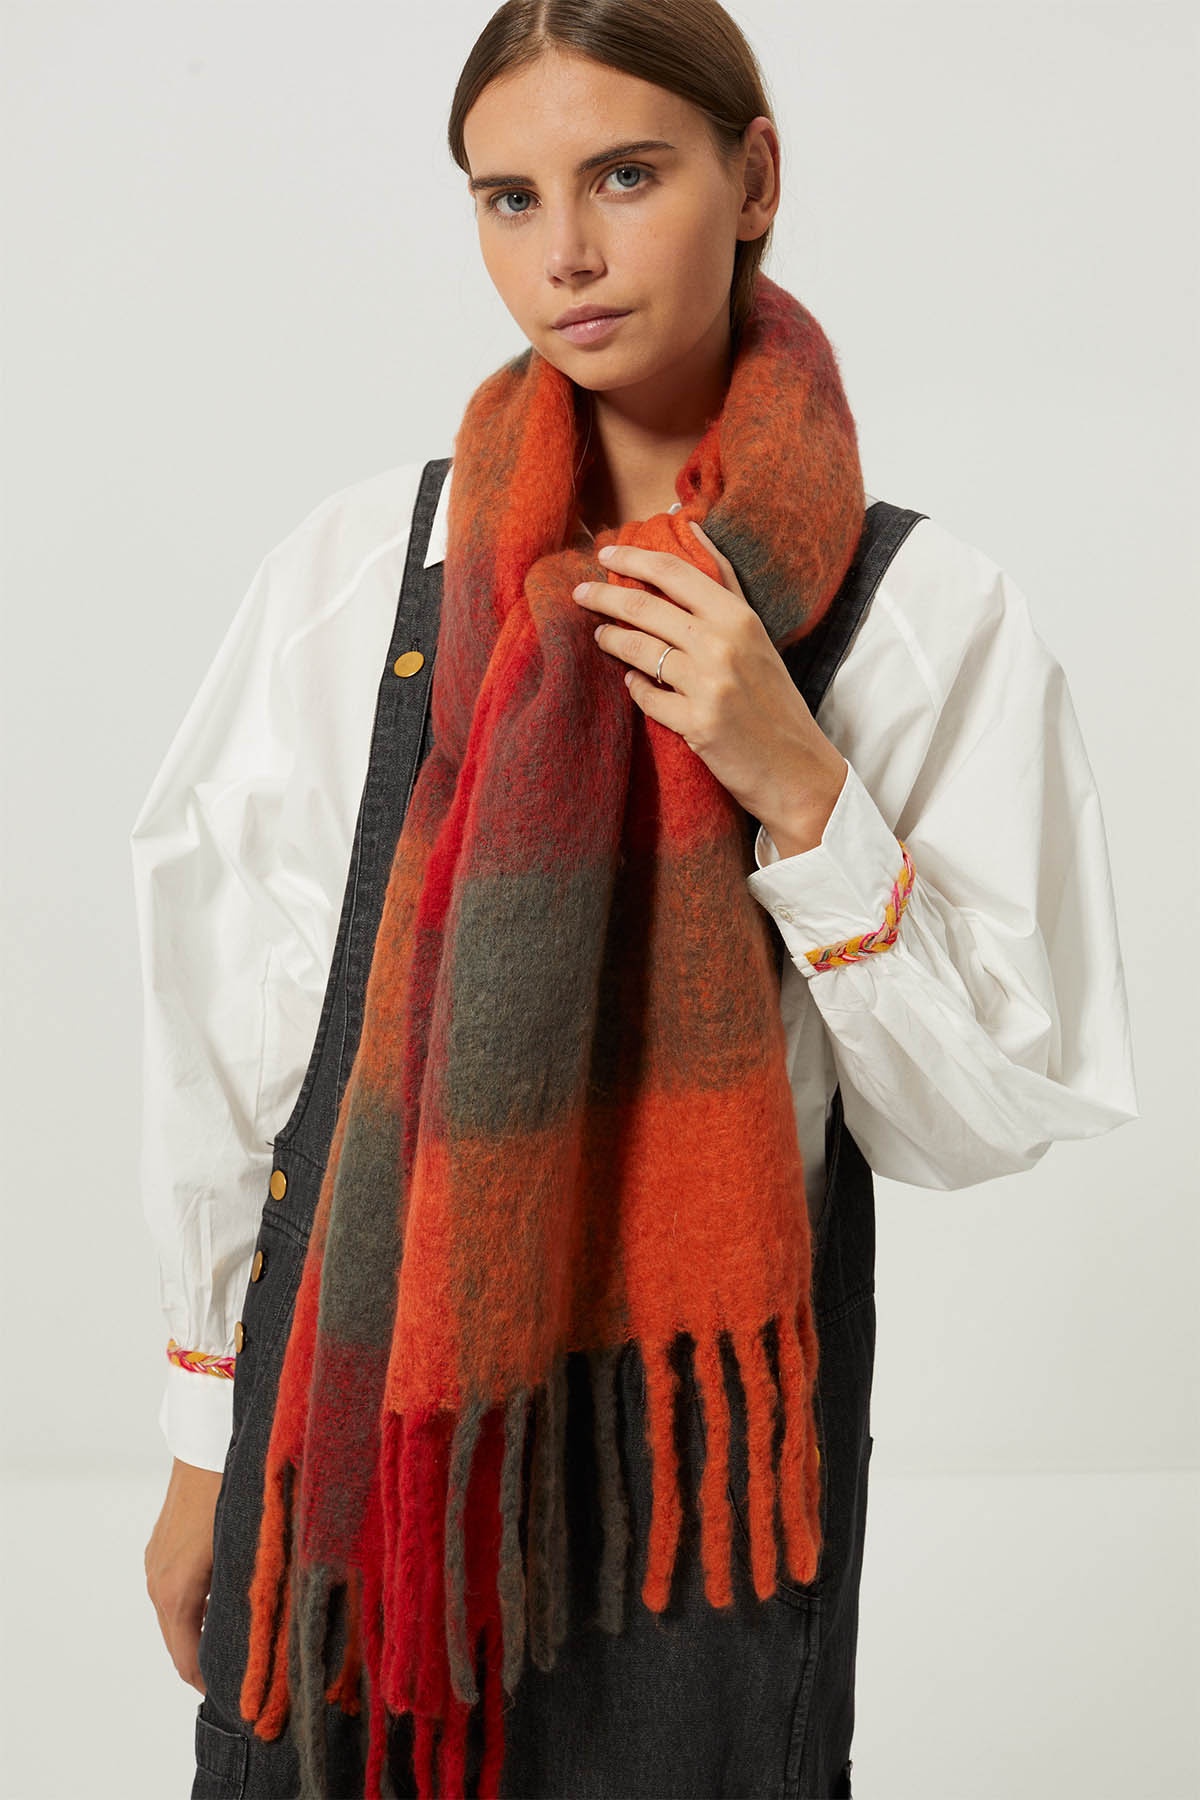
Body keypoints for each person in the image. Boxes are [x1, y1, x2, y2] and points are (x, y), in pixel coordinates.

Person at [135, 4, 1139, 1796]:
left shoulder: (922, 616)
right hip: (354, 1415)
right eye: (508, 198)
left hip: (693, 1453)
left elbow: (979, 1115)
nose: (567, 256)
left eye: (624, 176)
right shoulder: (366, 571)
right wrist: (203, 1432)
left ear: (754, 179)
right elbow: (235, 1034)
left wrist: (799, 787)